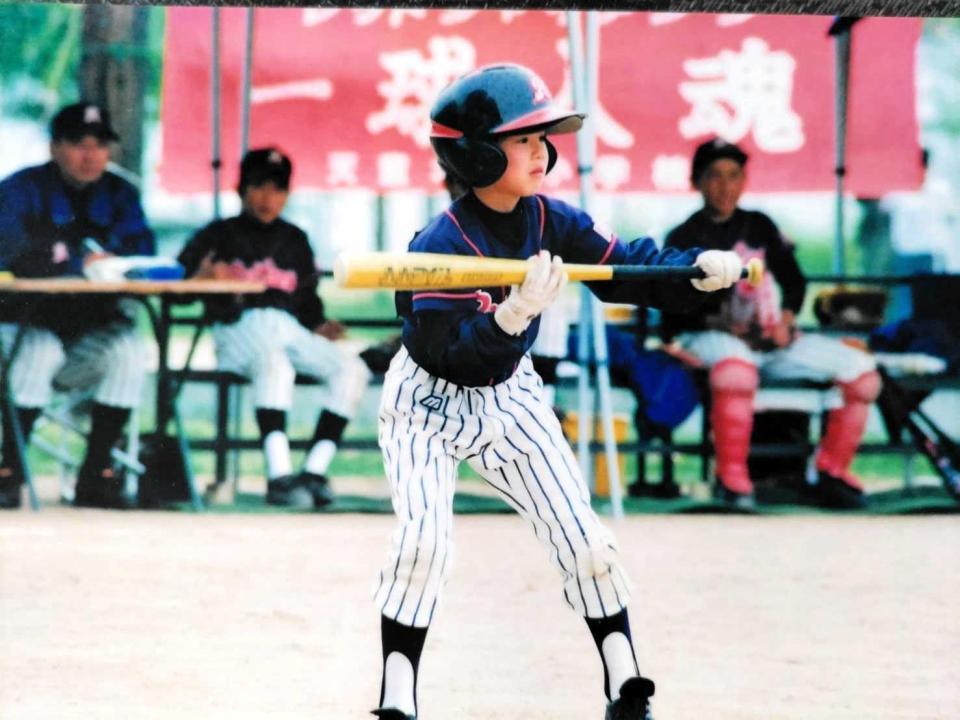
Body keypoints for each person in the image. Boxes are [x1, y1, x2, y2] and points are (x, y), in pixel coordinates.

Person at [369, 64, 742, 720]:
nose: (542, 149)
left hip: (510, 394)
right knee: (424, 543)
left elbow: (626, 268)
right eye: (523, 139)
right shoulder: (438, 244)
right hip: (427, 403)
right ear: (477, 153)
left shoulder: (551, 218)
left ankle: (624, 682)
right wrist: (510, 318)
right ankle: (398, 696)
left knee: (583, 537)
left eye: (544, 137)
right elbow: (445, 355)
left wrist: (693, 273)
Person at [660, 137, 882, 510]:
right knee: (736, 373)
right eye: (714, 175)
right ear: (696, 181)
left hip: (771, 338)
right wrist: (726, 323)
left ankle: (829, 472)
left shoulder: (760, 226)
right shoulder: (683, 236)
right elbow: (672, 307)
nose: (724, 185)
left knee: (861, 373)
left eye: (734, 175)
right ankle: (733, 481)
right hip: (712, 337)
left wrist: (786, 320)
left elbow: (794, 283)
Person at [177, 147, 371, 509]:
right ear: (242, 189)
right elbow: (176, 292)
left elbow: (307, 299)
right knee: (274, 362)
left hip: (287, 329)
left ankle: (313, 472)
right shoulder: (217, 234)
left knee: (351, 369)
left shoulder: (295, 238)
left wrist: (318, 324)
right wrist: (199, 278)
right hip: (235, 327)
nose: (269, 198)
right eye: (260, 187)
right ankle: (279, 476)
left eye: (278, 189)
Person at [0, 101, 154, 509]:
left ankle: (97, 474)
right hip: (22, 325)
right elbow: (13, 252)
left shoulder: (121, 194)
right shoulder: (20, 189)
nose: (91, 155)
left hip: (87, 328)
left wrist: (113, 265)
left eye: (100, 144)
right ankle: (10, 470)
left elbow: (143, 254)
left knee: (127, 351)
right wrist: (75, 263)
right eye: (79, 144)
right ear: (55, 147)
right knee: (38, 351)